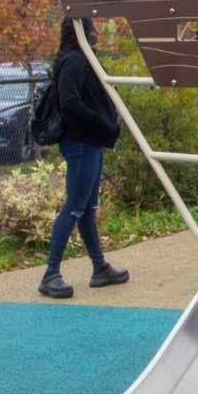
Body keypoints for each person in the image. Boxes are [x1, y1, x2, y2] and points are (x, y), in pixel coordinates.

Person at [38, 17, 129, 299]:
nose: (96, 33)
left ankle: (99, 267)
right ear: (81, 32)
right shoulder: (75, 61)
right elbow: (70, 102)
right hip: (81, 142)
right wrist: (102, 122)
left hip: (91, 142)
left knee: (87, 208)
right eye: (92, 29)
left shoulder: (83, 59)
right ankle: (50, 273)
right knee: (75, 207)